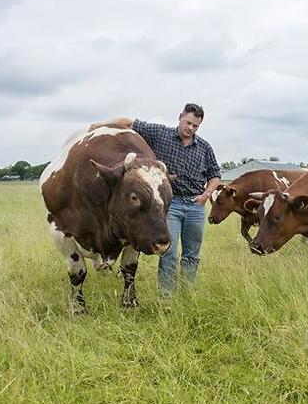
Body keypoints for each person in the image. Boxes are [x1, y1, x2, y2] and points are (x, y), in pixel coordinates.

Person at [90, 104, 221, 295]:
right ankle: (166, 296)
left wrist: (206, 195)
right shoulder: (160, 134)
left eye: (195, 126)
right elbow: (129, 121)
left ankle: (188, 293)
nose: (190, 128)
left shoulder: (204, 147)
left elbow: (215, 174)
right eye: (188, 122)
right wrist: (101, 126)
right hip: (170, 204)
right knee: (167, 250)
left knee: (192, 254)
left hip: (195, 205)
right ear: (180, 117)